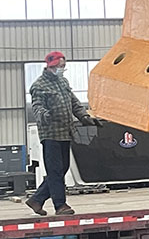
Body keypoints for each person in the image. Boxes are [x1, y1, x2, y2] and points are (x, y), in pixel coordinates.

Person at [25, 51, 102, 216]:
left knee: (62, 168)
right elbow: (37, 106)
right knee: (55, 171)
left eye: (63, 66)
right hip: (51, 134)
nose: (61, 69)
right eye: (59, 66)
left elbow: (74, 102)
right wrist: (44, 115)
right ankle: (60, 205)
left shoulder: (63, 82)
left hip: (65, 132)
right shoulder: (39, 86)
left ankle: (37, 199)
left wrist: (85, 117)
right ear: (50, 66)